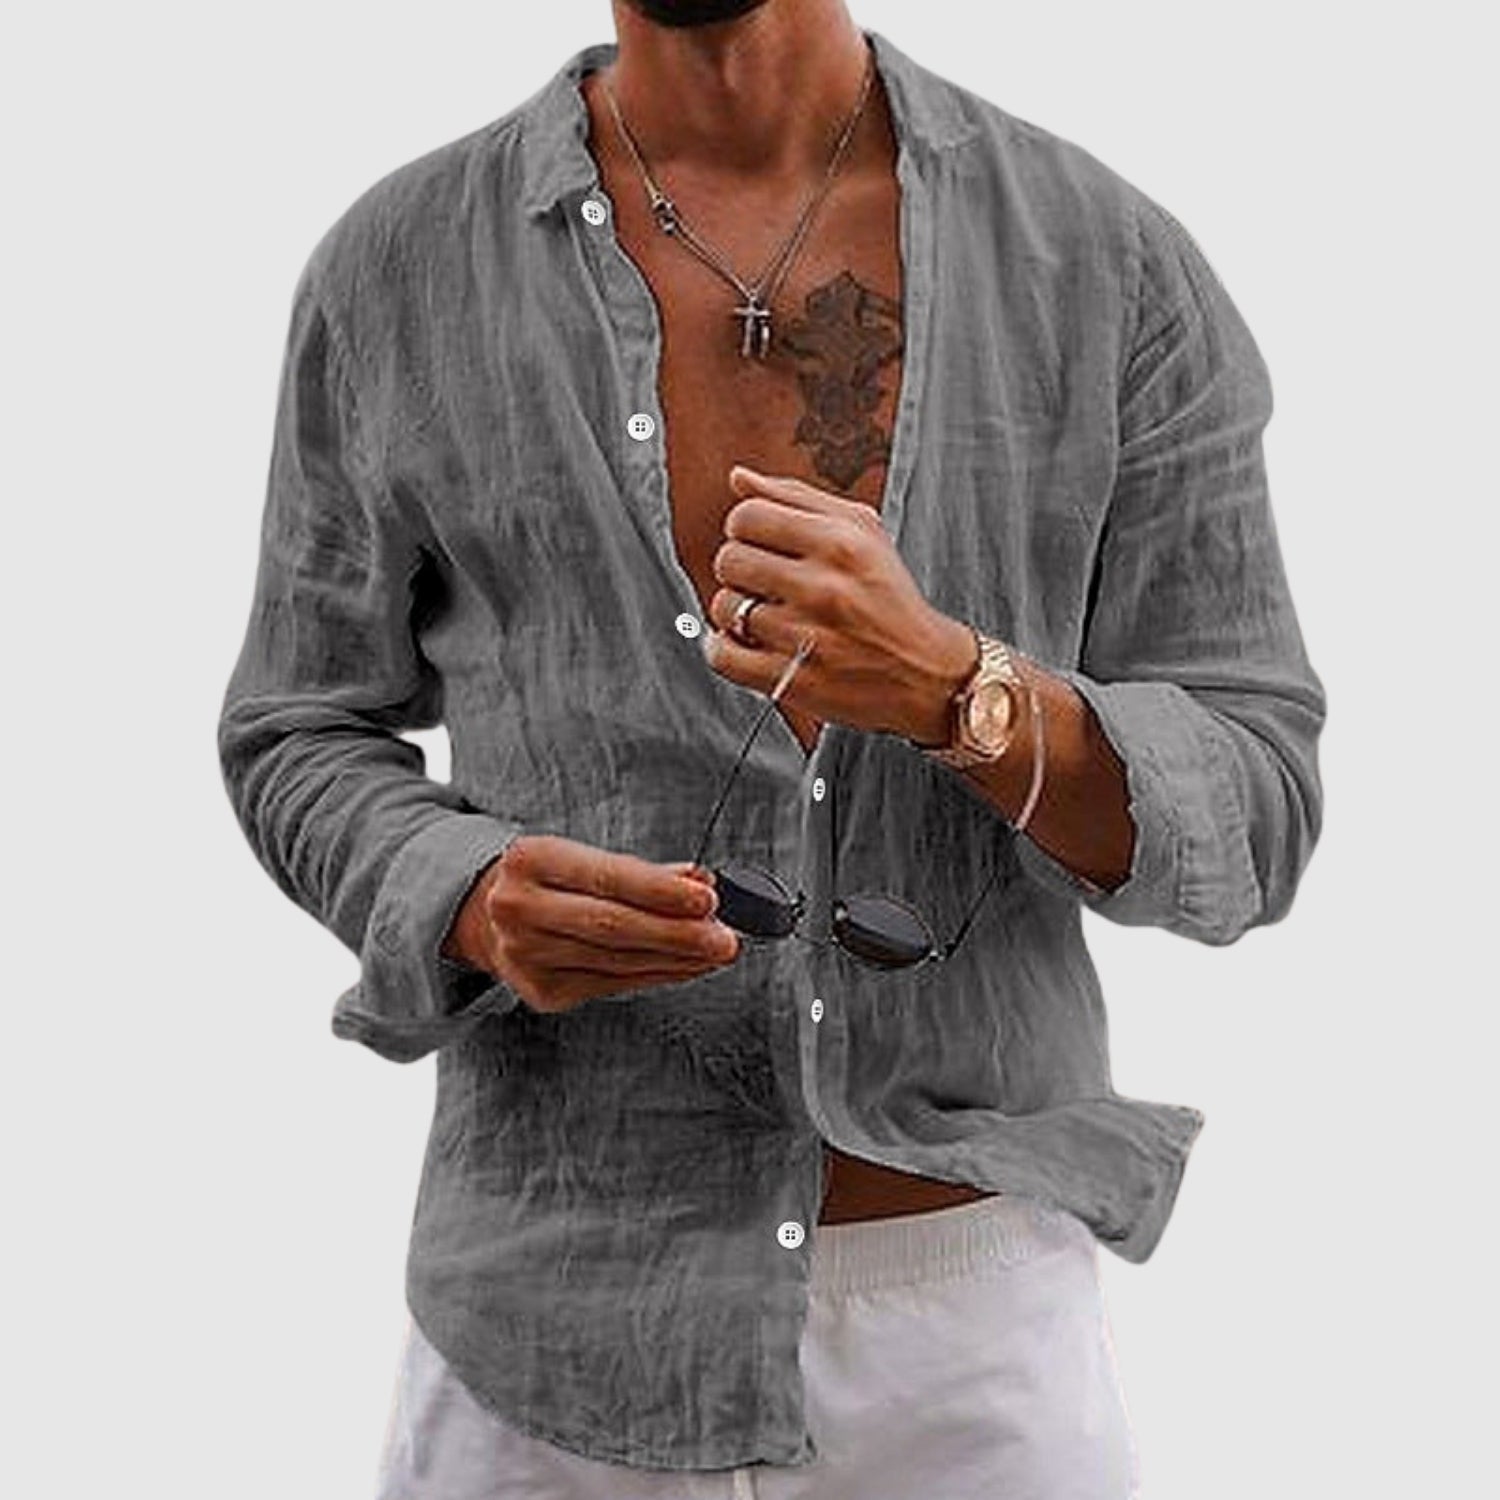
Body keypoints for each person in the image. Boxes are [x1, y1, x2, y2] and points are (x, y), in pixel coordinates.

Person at [216, 1, 1327, 1496]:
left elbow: (1256, 803)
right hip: (548, 1334)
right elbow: (298, 725)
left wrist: (961, 692)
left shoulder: (1105, 263)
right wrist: (462, 893)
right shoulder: (400, 266)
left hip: (969, 1336)